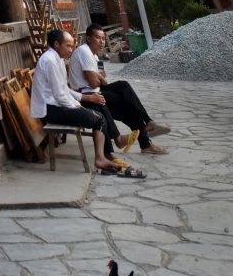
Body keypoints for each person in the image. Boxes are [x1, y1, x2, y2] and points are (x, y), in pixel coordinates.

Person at [29, 28, 143, 177]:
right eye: (68, 46)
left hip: (56, 105)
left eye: (72, 46)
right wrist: (78, 106)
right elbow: (60, 95)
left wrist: (82, 100)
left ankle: (106, 154)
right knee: (98, 118)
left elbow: (65, 90)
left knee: (97, 112)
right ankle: (101, 158)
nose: (71, 49)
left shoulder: (58, 59)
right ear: (56, 44)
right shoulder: (49, 60)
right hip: (49, 110)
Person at [70, 27, 171, 154]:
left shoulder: (94, 55)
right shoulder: (84, 52)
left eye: (103, 38)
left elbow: (102, 81)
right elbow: (95, 82)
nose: (102, 41)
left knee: (123, 86)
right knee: (127, 105)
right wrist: (99, 77)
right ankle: (145, 143)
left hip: (97, 91)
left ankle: (149, 123)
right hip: (87, 96)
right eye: (97, 38)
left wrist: (98, 77)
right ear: (89, 38)